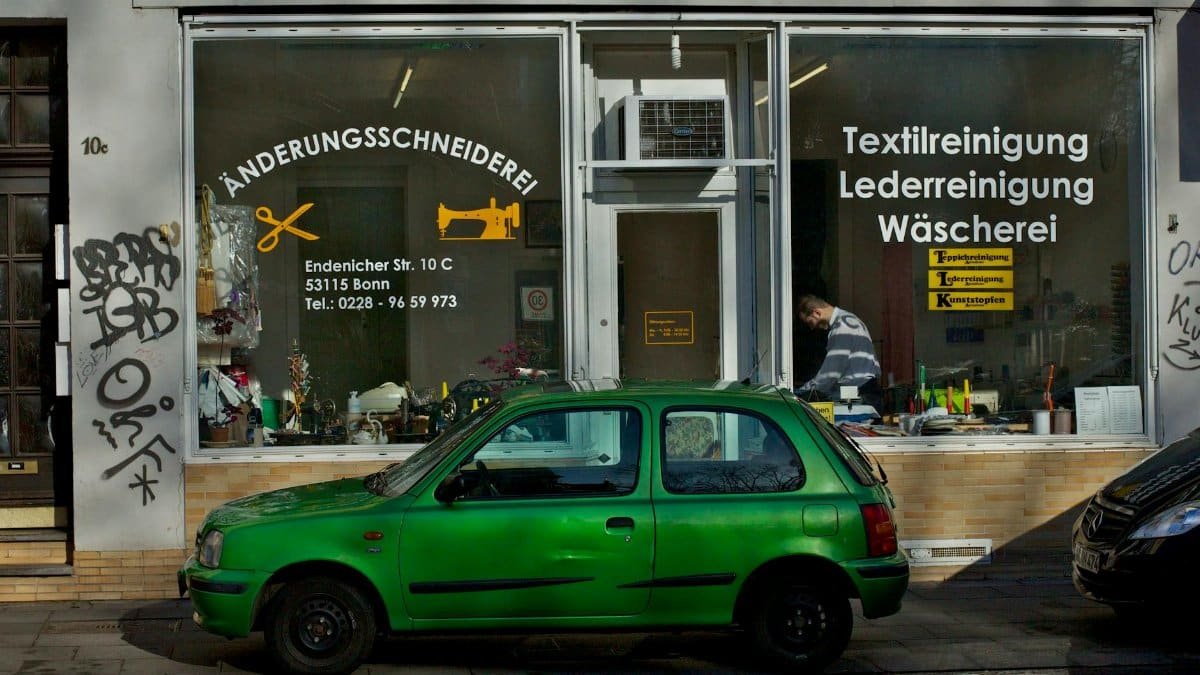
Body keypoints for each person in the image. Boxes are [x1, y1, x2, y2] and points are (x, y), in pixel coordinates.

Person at [794, 294, 883, 410]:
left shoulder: (841, 327)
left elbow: (830, 373)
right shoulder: (850, 319)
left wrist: (802, 392)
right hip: (865, 391)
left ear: (817, 313)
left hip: (859, 394)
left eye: (810, 323)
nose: (812, 328)